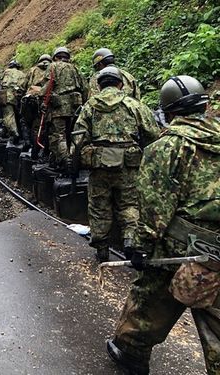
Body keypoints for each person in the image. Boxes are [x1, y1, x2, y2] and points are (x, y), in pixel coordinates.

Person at [107, 75, 220, 375]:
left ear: (169, 113)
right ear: (205, 106)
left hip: (183, 252)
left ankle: (130, 353)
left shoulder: (167, 148)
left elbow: (154, 208)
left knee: (147, 303)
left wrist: (140, 248)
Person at [69, 67, 160, 262]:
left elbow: (78, 139)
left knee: (99, 206)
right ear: (120, 84)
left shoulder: (90, 106)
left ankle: (102, 249)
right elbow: (153, 134)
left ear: (99, 85)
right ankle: (129, 240)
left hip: (99, 165)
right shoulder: (134, 105)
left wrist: (76, 162)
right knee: (129, 204)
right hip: (129, 166)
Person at [39, 47, 88, 169]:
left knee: (58, 135)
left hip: (58, 107)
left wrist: (42, 101)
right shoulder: (75, 68)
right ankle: (73, 158)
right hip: (75, 106)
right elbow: (85, 88)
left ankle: (65, 161)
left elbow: (47, 86)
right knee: (72, 133)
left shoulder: (53, 66)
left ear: (55, 57)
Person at [0, 60, 27, 142]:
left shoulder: (5, 72)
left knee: (8, 115)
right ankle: (6, 133)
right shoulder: (23, 74)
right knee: (15, 116)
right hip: (19, 97)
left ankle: (14, 134)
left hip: (7, 96)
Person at [22, 54, 52, 156]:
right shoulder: (53, 69)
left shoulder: (33, 70)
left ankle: (32, 149)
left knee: (29, 124)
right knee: (44, 126)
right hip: (46, 100)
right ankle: (44, 151)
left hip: (32, 100)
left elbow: (24, 85)